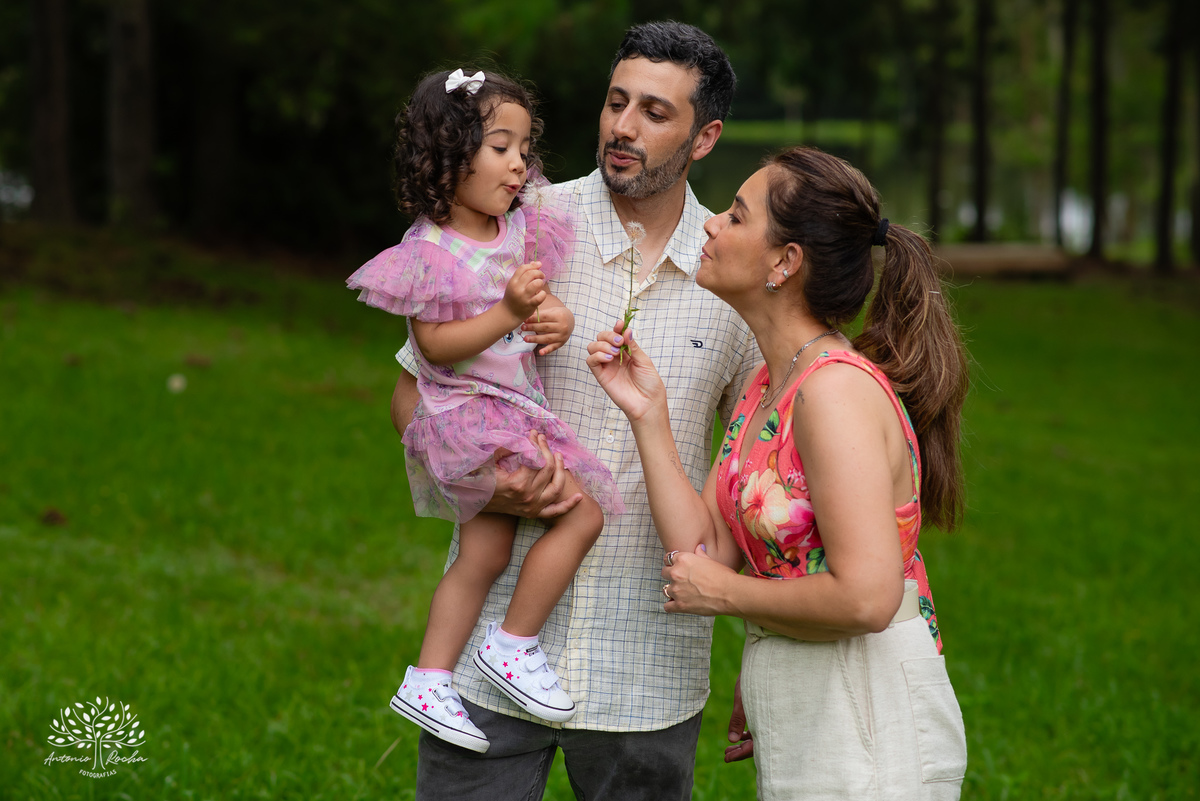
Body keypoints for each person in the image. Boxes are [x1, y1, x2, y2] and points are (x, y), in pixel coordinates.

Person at [390, 22, 760, 800]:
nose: (623, 126)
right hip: (482, 669)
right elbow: (411, 391)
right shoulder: (514, 223)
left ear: (704, 137)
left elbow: (756, 486)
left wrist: (759, 660)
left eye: (654, 112)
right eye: (616, 102)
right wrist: (481, 481)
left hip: (647, 674)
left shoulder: (733, 276)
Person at [587, 145, 970, 799]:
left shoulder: (833, 394)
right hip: (810, 701)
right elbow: (705, 552)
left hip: (867, 710)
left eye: (737, 216)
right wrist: (648, 414)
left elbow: (867, 597)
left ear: (785, 262)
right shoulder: (768, 385)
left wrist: (730, 596)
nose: (712, 223)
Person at [348, 67, 623, 754]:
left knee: (486, 551)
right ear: (450, 155)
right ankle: (512, 644)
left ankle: (429, 677)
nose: (519, 163)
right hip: (468, 415)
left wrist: (553, 317)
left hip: (509, 409)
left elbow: (532, 305)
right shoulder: (429, 250)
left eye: (524, 147)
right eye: (501, 147)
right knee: (583, 512)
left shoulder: (517, 229)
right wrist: (507, 311)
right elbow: (435, 346)